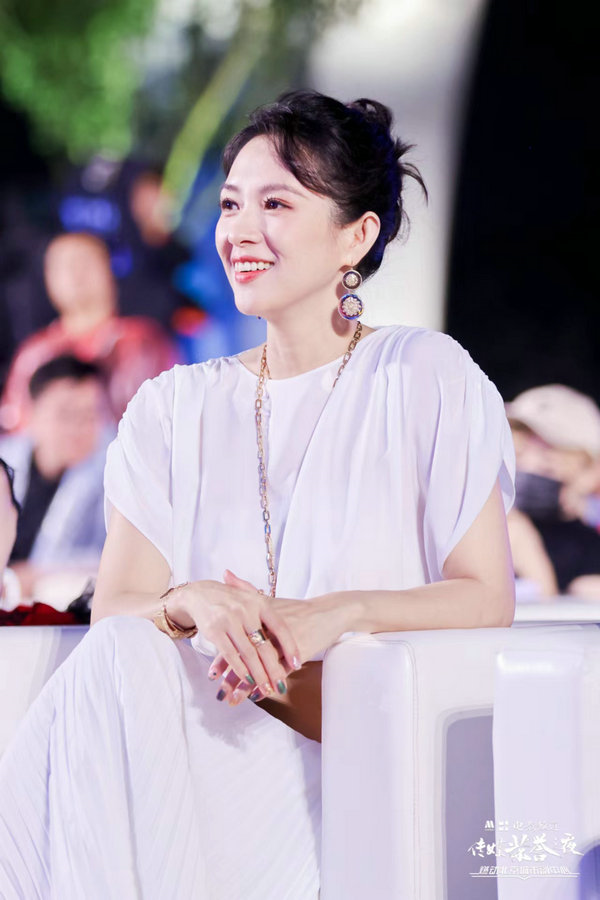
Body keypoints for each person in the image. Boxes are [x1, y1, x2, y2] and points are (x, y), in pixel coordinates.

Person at [0, 90, 515, 898]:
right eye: (231, 203)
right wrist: (189, 602)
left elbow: (485, 596)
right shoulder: (171, 408)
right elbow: (117, 611)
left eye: (276, 203)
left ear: (356, 235)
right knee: (121, 650)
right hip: (187, 744)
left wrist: (331, 615)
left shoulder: (422, 376)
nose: (240, 229)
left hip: (342, 763)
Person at [0, 231, 178, 431]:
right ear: (48, 278)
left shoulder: (144, 341)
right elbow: (16, 429)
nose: (76, 274)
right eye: (63, 266)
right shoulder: (33, 354)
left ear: (109, 269)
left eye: (84, 262)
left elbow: (171, 417)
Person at [0, 354, 111, 601]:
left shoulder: (114, 476)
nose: (79, 427)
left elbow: (113, 558)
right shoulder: (5, 460)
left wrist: (34, 575)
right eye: (66, 414)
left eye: (90, 415)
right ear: (32, 412)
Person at [507, 384, 600, 598]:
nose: (528, 463)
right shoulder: (496, 524)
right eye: (520, 445)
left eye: (545, 452)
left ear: (589, 467)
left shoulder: (587, 545)